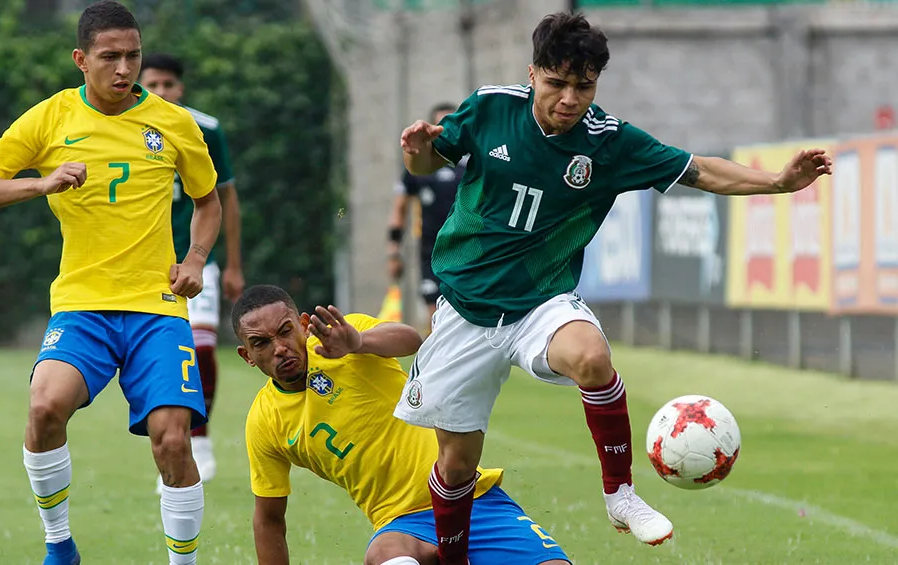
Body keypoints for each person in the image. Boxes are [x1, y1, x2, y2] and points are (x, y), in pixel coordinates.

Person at [393, 11, 832, 564]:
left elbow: (699, 170)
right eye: (557, 83)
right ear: (533, 74)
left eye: (584, 85)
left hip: (539, 303)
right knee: (456, 465)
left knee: (591, 356)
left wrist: (778, 182)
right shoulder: (490, 108)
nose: (570, 98)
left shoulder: (609, 141)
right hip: (465, 310)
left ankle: (620, 493)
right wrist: (416, 149)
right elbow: (431, 156)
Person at [0, 2, 222, 564]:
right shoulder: (50, 118)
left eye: (133, 55)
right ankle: (59, 545)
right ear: (81, 59)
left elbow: (208, 201)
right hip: (82, 305)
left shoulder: (175, 123)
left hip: (157, 307)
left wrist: (196, 257)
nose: (124, 69)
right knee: (44, 407)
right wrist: (41, 184)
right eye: (110, 57)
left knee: (174, 440)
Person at [235, 285, 572, 565]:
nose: (279, 348)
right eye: (261, 343)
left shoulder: (344, 338)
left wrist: (358, 343)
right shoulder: (265, 422)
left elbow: (412, 340)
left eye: (285, 331)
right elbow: (268, 519)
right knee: (386, 557)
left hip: (474, 499)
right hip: (404, 525)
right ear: (247, 355)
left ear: (303, 324)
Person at [140, 52, 245, 487]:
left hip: (198, 258)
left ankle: (198, 439)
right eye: (154, 85)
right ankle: (171, 441)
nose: (161, 93)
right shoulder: (127, 126)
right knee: (157, 354)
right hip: (145, 262)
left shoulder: (206, 129)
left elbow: (226, 199)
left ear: (180, 89)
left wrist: (234, 264)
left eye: (169, 85)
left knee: (201, 347)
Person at [387, 102, 464, 327]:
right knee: (436, 316)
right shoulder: (418, 168)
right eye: (441, 125)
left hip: (468, 248)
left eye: (451, 124)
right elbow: (399, 209)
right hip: (431, 250)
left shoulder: (472, 162)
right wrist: (393, 251)